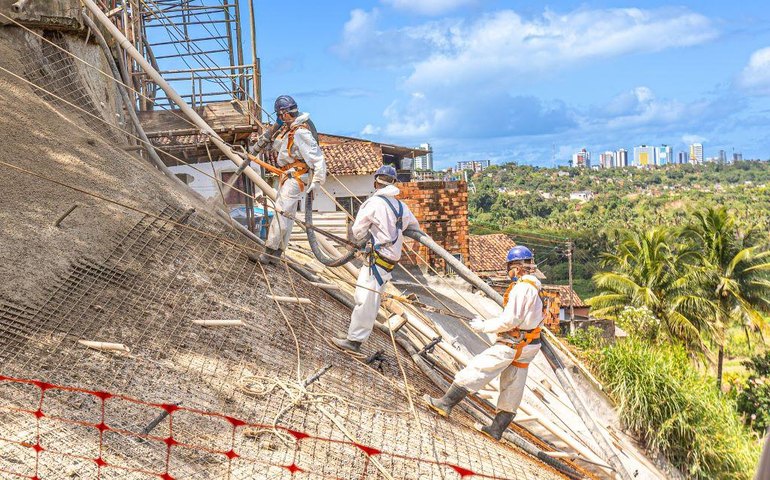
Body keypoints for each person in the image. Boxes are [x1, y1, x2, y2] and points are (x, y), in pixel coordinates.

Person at [424, 245, 543, 441]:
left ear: (518, 267)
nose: (509, 272)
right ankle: (497, 429)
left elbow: (510, 320)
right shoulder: (536, 286)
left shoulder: (522, 288)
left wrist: (484, 326)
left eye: (511, 268)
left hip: (513, 342)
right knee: (513, 385)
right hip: (529, 345)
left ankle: (445, 403)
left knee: (479, 368)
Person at [332, 165, 419, 353]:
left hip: (377, 260)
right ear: (394, 183)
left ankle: (354, 342)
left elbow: (357, 231)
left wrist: (372, 233)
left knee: (365, 300)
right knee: (365, 298)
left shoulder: (373, 203)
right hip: (387, 261)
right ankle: (352, 336)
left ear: (375, 182)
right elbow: (414, 228)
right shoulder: (401, 207)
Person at [257, 95, 326, 264]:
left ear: (284, 114)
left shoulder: (301, 132)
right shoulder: (291, 131)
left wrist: (316, 182)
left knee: (281, 212)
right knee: (286, 216)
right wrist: (268, 139)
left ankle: (268, 252)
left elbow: (318, 159)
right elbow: (280, 147)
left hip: (295, 178)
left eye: (279, 116)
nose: (279, 120)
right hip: (288, 176)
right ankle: (277, 253)